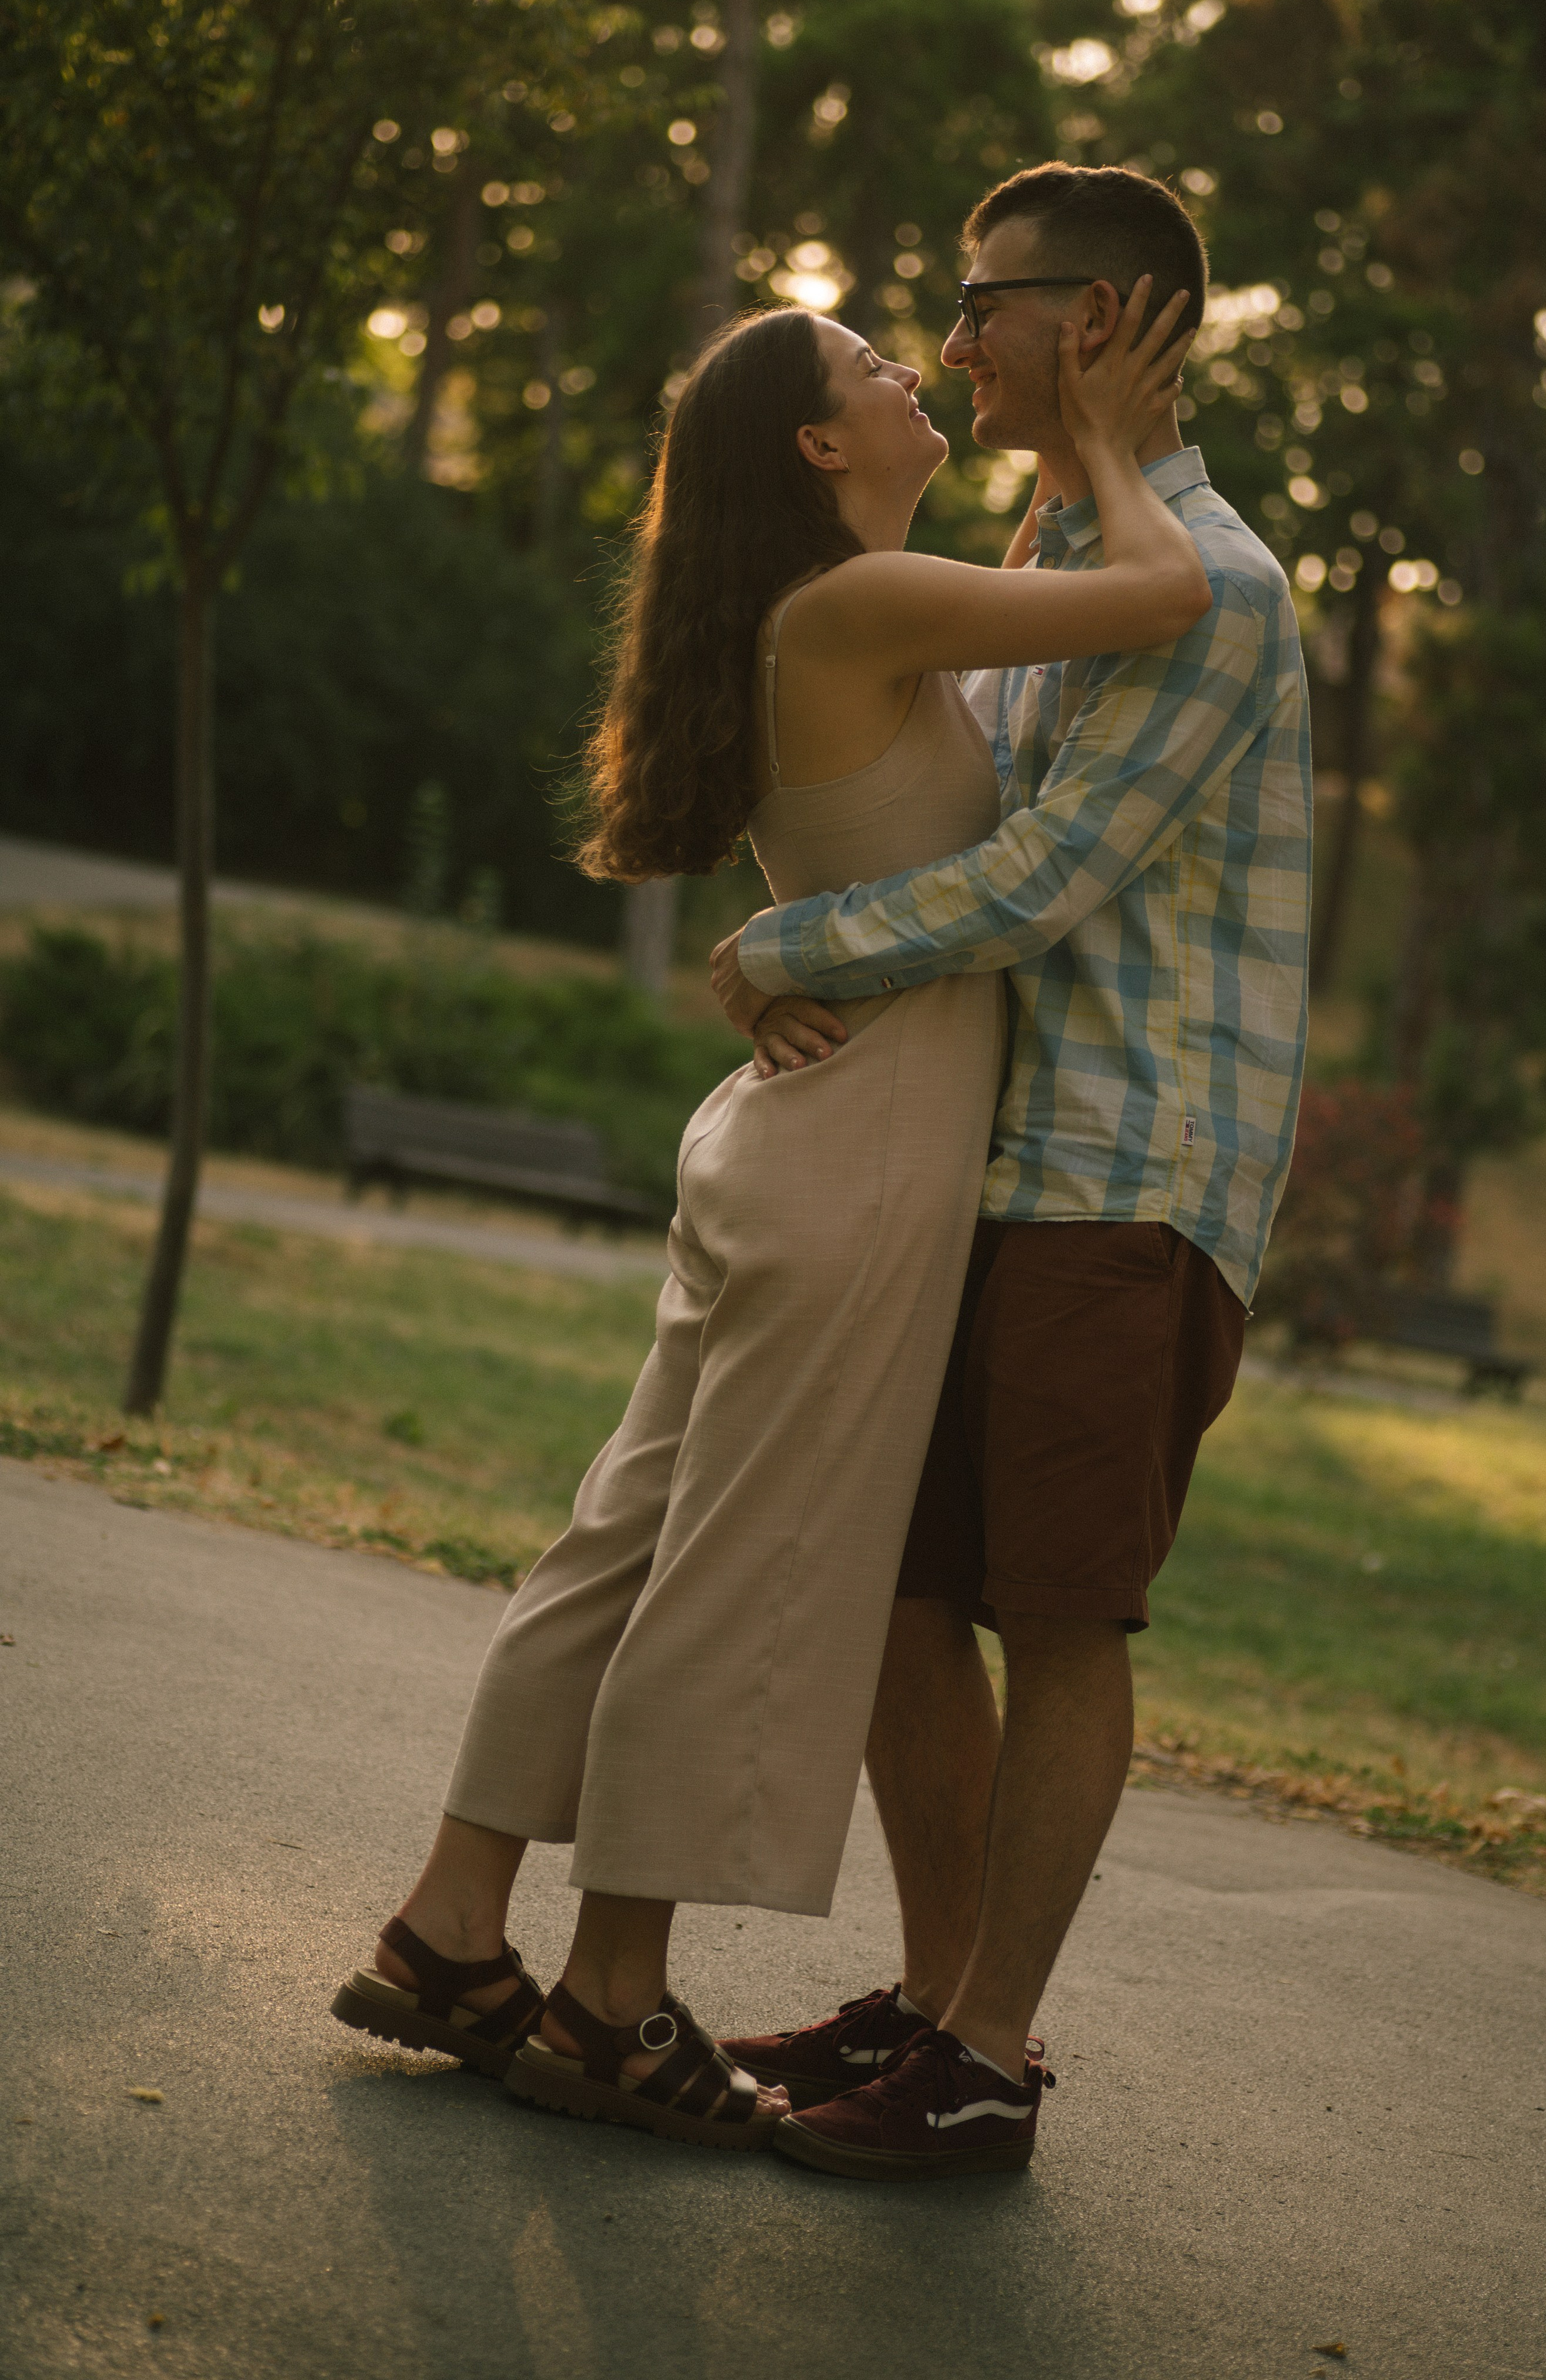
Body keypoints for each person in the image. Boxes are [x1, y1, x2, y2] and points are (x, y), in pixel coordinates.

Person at [329, 270, 1208, 2157]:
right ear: (821, 444)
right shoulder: (867, 601)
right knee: (740, 1571)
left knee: (626, 1544)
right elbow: (1168, 596)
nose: (915, 375)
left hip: (782, 1138)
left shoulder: (827, 609)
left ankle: (452, 1927)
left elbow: (989, 689)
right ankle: (615, 1999)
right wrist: (1124, 446)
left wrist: (757, 955)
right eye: (881, 366)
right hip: (863, 1147)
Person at [709, 162, 1313, 2181]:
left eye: (991, 306)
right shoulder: (1057, 555)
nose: (954, 344)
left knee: (1059, 1617)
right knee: (899, 1591)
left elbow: (1043, 881)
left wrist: (777, 952)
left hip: (1128, 1187)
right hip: (992, 1169)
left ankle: (986, 2058)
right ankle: (940, 1998)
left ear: (1116, 323)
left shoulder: (1211, 583)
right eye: (945, 312)